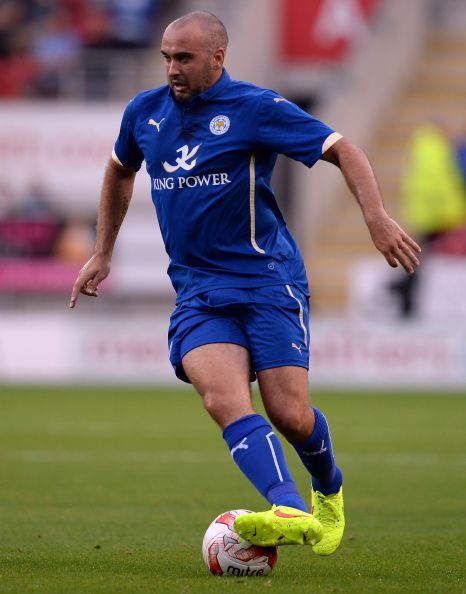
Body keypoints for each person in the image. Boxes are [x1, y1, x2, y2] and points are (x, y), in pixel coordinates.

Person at [70, 11, 421, 555]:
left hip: (267, 281)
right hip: (199, 291)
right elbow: (119, 169)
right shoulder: (145, 113)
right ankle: (288, 506)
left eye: (183, 58)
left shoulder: (254, 108)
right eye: (166, 56)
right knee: (222, 398)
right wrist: (102, 251)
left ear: (217, 57)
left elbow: (343, 149)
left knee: (290, 414)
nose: (171, 69)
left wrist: (376, 218)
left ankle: (328, 488)